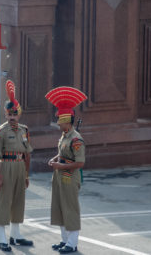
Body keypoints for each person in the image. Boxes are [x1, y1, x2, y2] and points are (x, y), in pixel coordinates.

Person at [0, 80, 34, 252]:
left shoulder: (24, 130)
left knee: (18, 201)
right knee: (4, 202)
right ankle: (2, 238)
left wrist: (26, 175)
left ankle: (15, 235)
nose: (12, 117)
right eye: (9, 114)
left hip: (19, 167)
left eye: (15, 114)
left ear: (19, 114)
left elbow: (27, 154)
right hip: (7, 166)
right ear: (5, 114)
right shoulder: (0, 131)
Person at [45, 86, 87, 254]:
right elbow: (62, 153)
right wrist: (55, 159)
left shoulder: (76, 139)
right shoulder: (64, 136)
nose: (57, 122)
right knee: (60, 207)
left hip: (69, 176)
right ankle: (64, 240)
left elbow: (80, 163)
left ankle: (72, 242)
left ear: (66, 121)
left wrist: (61, 166)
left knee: (70, 208)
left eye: (59, 120)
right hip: (60, 175)